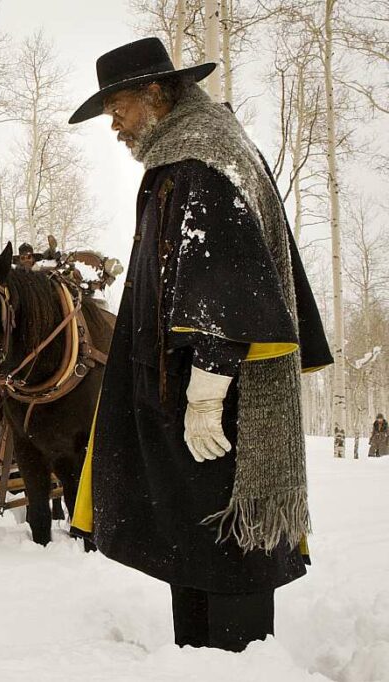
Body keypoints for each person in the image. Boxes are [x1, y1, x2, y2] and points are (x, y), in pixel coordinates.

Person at [68, 38, 332, 652]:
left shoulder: (201, 163)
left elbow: (227, 283)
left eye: (118, 109)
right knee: (194, 545)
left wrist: (207, 393)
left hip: (214, 404)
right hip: (184, 395)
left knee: (226, 547)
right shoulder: (189, 156)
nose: (115, 125)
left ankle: (236, 662)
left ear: (155, 94)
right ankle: (199, 661)